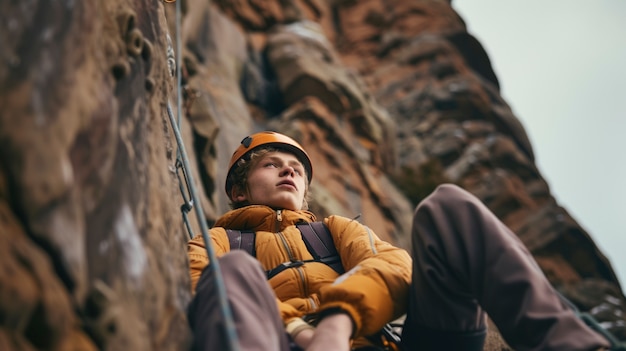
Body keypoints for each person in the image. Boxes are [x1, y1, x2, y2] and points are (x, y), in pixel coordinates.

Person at [187, 131, 611, 351]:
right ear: (239, 190)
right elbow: (206, 289)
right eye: (270, 165)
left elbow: (395, 267)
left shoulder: (333, 228)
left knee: (449, 208)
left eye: (296, 167)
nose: (289, 172)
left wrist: (337, 323)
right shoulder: (220, 240)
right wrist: (300, 331)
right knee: (232, 272)